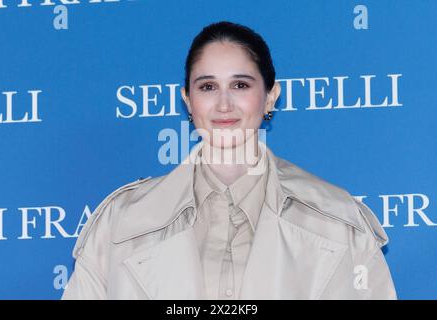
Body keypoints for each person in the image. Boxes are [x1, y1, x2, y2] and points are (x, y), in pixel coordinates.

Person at [62, 21, 396, 300]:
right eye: (207, 86)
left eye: (240, 84)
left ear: (270, 96)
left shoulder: (340, 222)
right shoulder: (119, 224)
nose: (224, 105)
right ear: (187, 101)